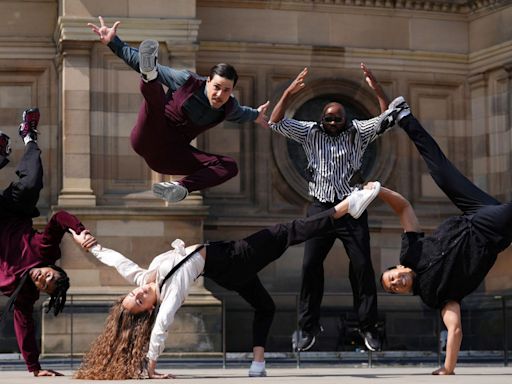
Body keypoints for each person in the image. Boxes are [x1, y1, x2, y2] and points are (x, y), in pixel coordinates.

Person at [73, 182, 382, 379]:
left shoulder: (146, 276)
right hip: (235, 258)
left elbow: (118, 262)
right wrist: (151, 367)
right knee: (285, 232)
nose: (139, 291)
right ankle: (347, 206)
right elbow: (163, 323)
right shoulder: (170, 290)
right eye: (141, 300)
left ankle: (257, 364)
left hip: (226, 272)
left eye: (133, 293)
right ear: (150, 307)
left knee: (265, 306)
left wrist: (93, 245)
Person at [268, 64, 401, 352]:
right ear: (321, 119)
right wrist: (289, 92)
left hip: (351, 208)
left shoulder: (357, 132)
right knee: (310, 266)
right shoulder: (309, 132)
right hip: (320, 209)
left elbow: (387, 119)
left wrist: (377, 88)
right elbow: (275, 122)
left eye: (337, 120)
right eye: (328, 119)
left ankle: (368, 327)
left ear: (345, 119)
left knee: (363, 267)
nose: (333, 124)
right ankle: (307, 327)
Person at [378, 97, 512, 375]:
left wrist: (378, 191)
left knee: (440, 171)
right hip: (488, 233)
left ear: (399, 268)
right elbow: (455, 328)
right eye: (395, 288)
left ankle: (404, 116)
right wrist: (448, 368)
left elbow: (404, 208)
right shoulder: (434, 295)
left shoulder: (410, 254)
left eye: (393, 278)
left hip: (472, 212)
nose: (397, 283)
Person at [87, 16, 269, 202]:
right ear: (208, 81)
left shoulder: (229, 106)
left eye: (226, 90)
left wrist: (256, 115)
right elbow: (136, 60)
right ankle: (148, 76)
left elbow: (244, 114)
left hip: (168, 157)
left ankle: (180, 187)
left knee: (229, 166)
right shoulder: (186, 81)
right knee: (155, 96)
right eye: (217, 87)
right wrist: (113, 42)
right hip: (149, 134)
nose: (219, 94)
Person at [0, 108, 96, 376]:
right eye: (50, 276)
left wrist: (35, 368)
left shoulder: (24, 294)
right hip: (12, 212)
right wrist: (78, 231)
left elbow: (24, 326)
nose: (43, 278)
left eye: (44, 284)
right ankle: (28, 136)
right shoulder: (46, 251)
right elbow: (58, 219)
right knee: (31, 185)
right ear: (54, 268)